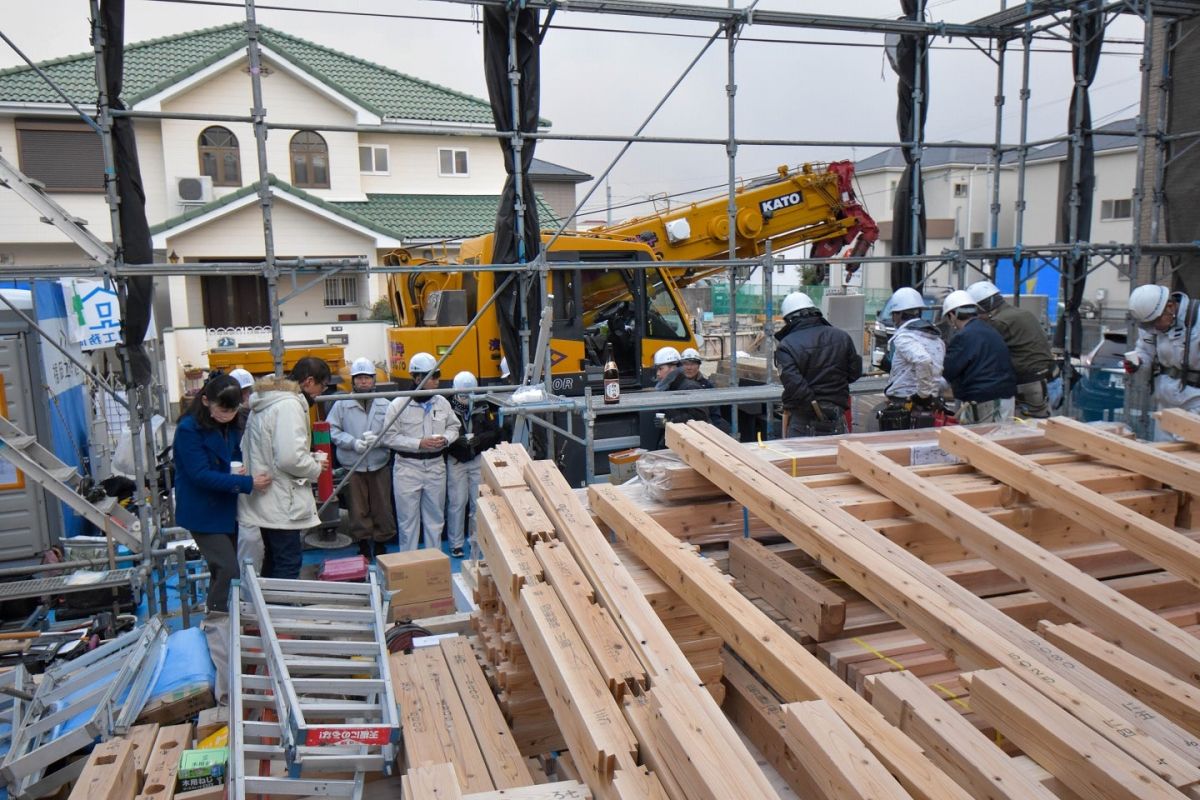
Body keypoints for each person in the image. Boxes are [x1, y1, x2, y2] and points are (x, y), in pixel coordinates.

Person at [173, 374, 270, 613]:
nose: (227, 415)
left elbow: (234, 453)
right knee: (228, 567)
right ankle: (218, 617)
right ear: (206, 401)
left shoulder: (230, 424)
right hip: (202, 510)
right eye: (222, 410)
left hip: (225, 505)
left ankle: (223, 614)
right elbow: (199, 475)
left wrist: (239, 466)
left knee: (223, 567)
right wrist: (247, 482)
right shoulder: (188, 429)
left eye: (232, 410)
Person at [238, 357, 330, 579]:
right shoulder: (289, 405)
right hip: (281, 500)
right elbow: (290, 459)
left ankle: (268, 609)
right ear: (308, 381)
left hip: (265, 497)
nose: (321, 392)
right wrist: (315, 466)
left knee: (274, 557)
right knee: (288, 561)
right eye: (322, 385)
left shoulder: (265, 402)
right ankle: (282, 612)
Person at [382, 352, 460, 551]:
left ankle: (433, 564)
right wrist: (419, 444)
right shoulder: (398, 406)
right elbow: (389, 437)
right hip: (408, 468)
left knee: (435, 520)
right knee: (408, 523)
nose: (436, 381)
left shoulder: (442, 403)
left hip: (435, 467)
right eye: (432, 376)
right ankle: (410, 567)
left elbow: (454, 427)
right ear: (417, 378)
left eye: (437, 375)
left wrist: (446, 439)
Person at [326, 357, 396, 559]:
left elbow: (393, 430)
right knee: (358, 507)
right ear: (353, 381)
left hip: (379, 462)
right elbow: (333, 430)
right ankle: (364, 544)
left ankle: (381, 542)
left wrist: (380, 440)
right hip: (353, 464)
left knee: (382, 505)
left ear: (374, 380)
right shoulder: (341, 405)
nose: (364, 382)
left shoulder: (385, 404)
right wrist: (353, 442)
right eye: (359, 378)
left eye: (367, 378)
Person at [773, 292, 861, 436]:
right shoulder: (842, 336)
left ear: (789, 319)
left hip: (804, 423)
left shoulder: (787, 346)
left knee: (802, 459)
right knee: (838, 457)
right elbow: (854, 373)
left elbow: (795, 388)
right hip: (836, 417)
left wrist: (817, 410)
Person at [967, 281, 1057, 418]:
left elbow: (983, 353)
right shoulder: (1023, 313)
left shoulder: (998, 322)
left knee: (1025, 432)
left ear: (982, 308)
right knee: (1043, 428)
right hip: (1049, 378)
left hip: (1029, 383)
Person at [1125, 284, 1200, 428]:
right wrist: (1138, 363)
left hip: (1195, 400)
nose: (1153, 328)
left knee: (1189, 449)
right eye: (1148, 324)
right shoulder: (1151, 323)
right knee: (1161, 448)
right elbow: (1145, 351)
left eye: (1155, 322)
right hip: (1166, 400)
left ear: (1170, 307)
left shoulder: (1197, 318)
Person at [446, 371, 502, 559]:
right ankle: (456, 543)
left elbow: (494, 432)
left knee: (478, 502)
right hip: (456, 459)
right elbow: (441, 432)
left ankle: (477, 539)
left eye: (469, 395)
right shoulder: (446, 406)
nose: (466, 400)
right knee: (457, 502)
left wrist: (479, 439)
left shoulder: (483, 405)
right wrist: (456, 442)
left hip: (477, 457)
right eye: (462, 396)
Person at [942, 290, 1017, 424]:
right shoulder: (988, 330)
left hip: (987, 400)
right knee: (999, 439)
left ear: (952, 315)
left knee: (986, 441)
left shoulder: (963, 336)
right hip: (1002, 396)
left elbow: (948, 370)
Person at [878, 287, 945, 431]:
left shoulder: (905, 337)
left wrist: (922, 394)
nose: (893, 319)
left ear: (899, 314)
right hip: (926, 404)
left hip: (907, 406)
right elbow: (918, 368)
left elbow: (922, 360)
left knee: (899, 450)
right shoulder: (936, 339)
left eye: (893, 315)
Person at [652, 347, 709, 444]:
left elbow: (700, 417)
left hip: (691, 442)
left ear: (673, 368)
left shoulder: (690, 387)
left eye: (661, 369)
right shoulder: (671, 387)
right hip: (678, 440)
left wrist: (670, 422)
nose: (658, 373)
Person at [679, 347, 732, 434]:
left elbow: (715, 414)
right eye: (685, 364)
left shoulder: (707, 386)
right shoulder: (677, 385)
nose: (689, 367)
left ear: (699, 365)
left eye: (692, 364)